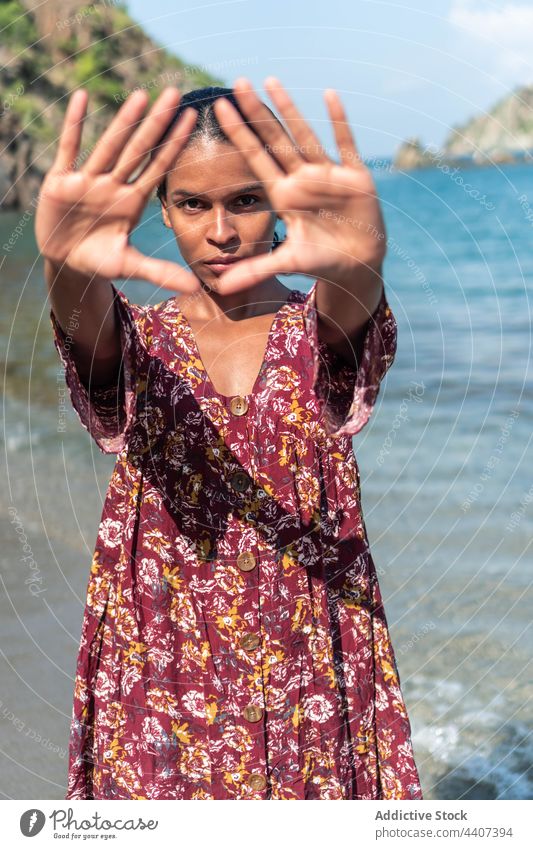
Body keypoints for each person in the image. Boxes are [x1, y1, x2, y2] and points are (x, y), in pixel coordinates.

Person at [35, 77, 423, 800]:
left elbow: (348, 305)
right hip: (162, 662)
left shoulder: (315, 332)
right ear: (162, 208)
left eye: (245, 199)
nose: (220, 231)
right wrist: (64, 261)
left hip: (306, 655)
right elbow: (84, 318)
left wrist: (359, 260)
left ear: (277, 197)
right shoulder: (140, 342)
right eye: (193, 203)